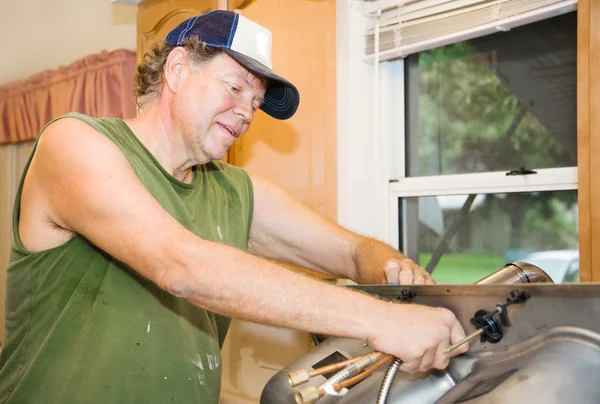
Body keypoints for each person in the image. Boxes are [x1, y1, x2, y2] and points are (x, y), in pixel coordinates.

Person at [0, 10, 467, 404]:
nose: (247, 113)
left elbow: (349, 252)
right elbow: (182, 266)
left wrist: (391, 266)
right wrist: (381, 319)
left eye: (257, 102)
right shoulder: (75, 143)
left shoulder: (236, 191)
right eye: (236, 87)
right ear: (178, 70)